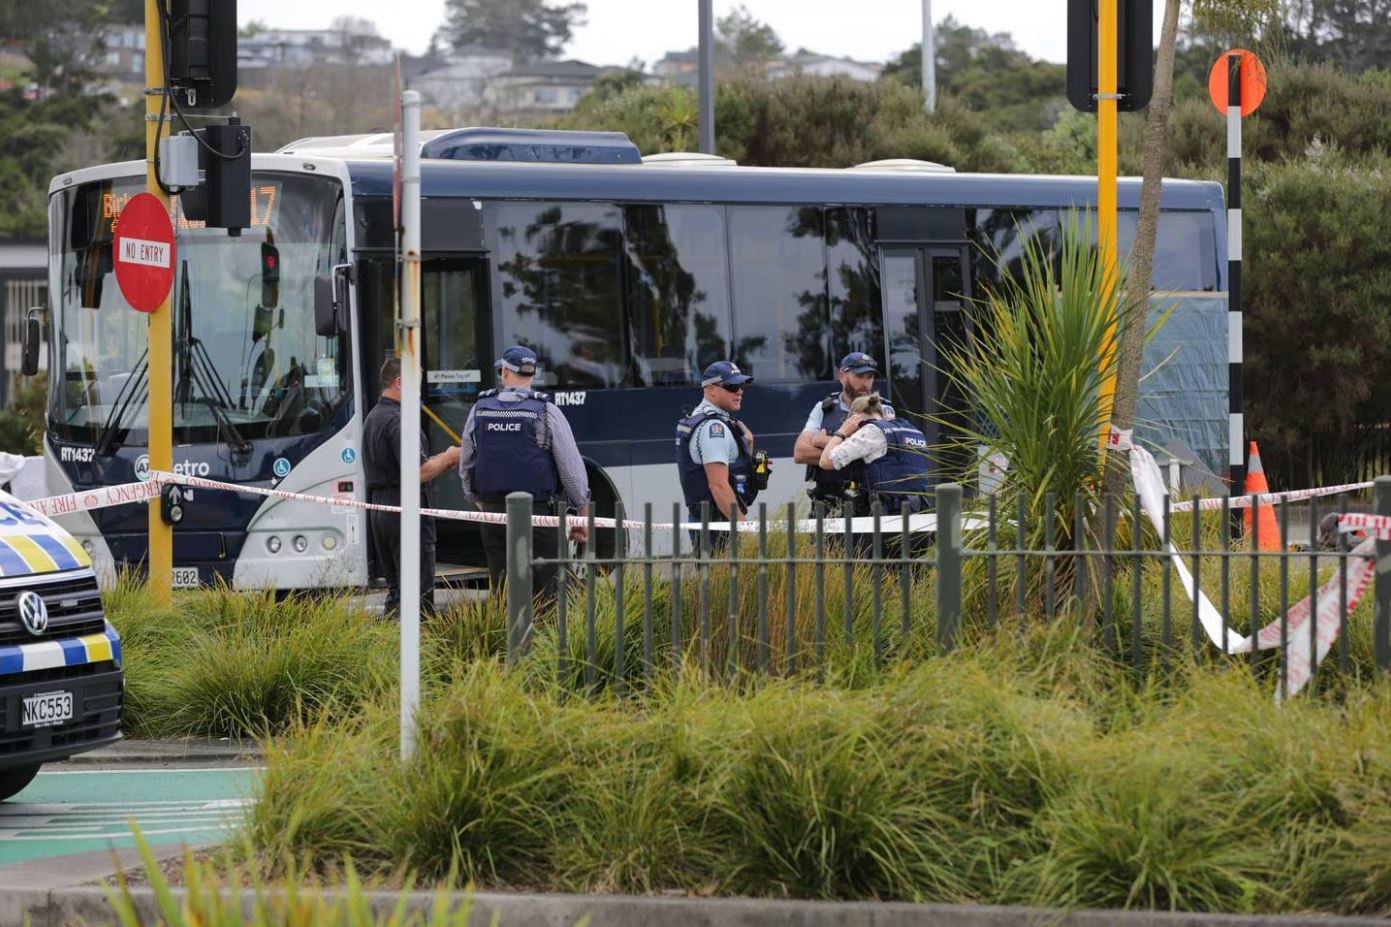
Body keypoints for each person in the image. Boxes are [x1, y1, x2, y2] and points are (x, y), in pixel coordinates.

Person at [458, 345, 589, 596]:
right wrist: (581, 513)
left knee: (505, 592)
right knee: (549, 594)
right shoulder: (547, 412)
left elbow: (466, 466)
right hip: (538, 517)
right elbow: (572, 474)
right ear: (532, 374)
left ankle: (510, 635)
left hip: (494, 517)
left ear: (505, 372)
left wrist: (478, 502)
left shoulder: (479, 410)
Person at [362, 356, 461, 619]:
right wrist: (450, 457)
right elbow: (418, 471)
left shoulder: (374, 416)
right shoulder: (399, 420)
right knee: (417, 594)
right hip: (406, 509)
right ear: (399, 383)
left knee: (398, 590)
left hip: (382, 509)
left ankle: (390, 647)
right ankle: (417, 652)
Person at [792, 352, 894, 515]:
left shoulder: (883, 409)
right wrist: (858, 450)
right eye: (859, 376)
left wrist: (828, 441)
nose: (866, 383)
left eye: (870, 377)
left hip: (869, 505)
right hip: (828, 504)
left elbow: (888, 452)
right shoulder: (824, 408)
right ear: (842, 376)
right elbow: (801, 453)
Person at [675, 361, 760, 551]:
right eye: (732, 386)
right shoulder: (715, 428)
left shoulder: (701, 417)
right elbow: (718, 485)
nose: (739, 391)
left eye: (741, 386)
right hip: (718, 526)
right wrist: (744, 528)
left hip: (711, 521)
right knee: (725, 580)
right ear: (712, 389)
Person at [818, 392, 931, 516]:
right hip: (919, 513)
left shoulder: (872, 430)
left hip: (886, 517)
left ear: (854, 418)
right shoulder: (913, 431)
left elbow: (825, 461)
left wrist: (842, 431)